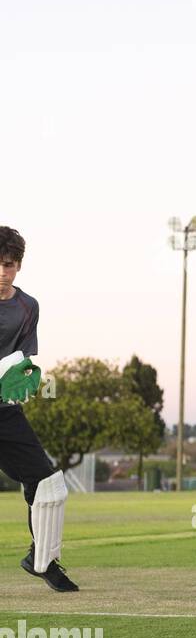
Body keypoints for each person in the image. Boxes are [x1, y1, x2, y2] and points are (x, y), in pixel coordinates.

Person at [0, 226, 79, 592]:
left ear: (18, 266)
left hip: (3, 411)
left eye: (10, 265)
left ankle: (43, 560)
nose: (3, 272)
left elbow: (22, 359)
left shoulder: (28, 307)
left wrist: (25, 376)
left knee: (49, 483)